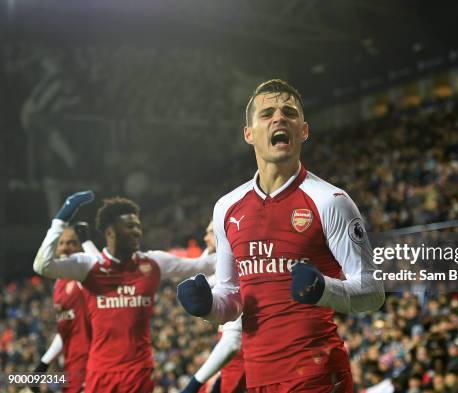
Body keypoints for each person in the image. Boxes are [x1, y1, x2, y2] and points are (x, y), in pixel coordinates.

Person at [177, 79, 385, 392]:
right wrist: (206, 306)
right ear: (249, 134)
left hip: (317, 374)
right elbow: (231, 299)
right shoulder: (226, 208)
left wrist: (324, 290)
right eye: (267, 114)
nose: (279, 118)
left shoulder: (331, 201)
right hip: (258, 377)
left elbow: (373, 292)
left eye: (289, 112)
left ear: (303, 131)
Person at [33, 192, 216, 393]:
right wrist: (61, 218)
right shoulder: (88, 266)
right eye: (130, 226)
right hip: (99, 374)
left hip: (138, 372)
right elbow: (43, 266)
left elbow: (203, 265)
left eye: (138, 226)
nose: (137, 231)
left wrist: (225, 242)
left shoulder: (153, 262)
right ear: (110, 232)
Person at [181, 221, 246, 393]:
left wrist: (192, 386)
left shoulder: (236, 277)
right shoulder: (225, 272)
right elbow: (197, 275)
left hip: (243, 360)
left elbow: (233, 341)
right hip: (236, 359)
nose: (205, 237)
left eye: (210, 232)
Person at [32, 223, 98, 393]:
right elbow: (67, 329)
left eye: (71, 243)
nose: (64, 248)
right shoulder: (59, 283)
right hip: (72, 370)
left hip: (93, 366)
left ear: (80, 246)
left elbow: (104, 269)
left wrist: (88, 242)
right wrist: (43, 364)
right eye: (60, 243)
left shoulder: (86, 278)